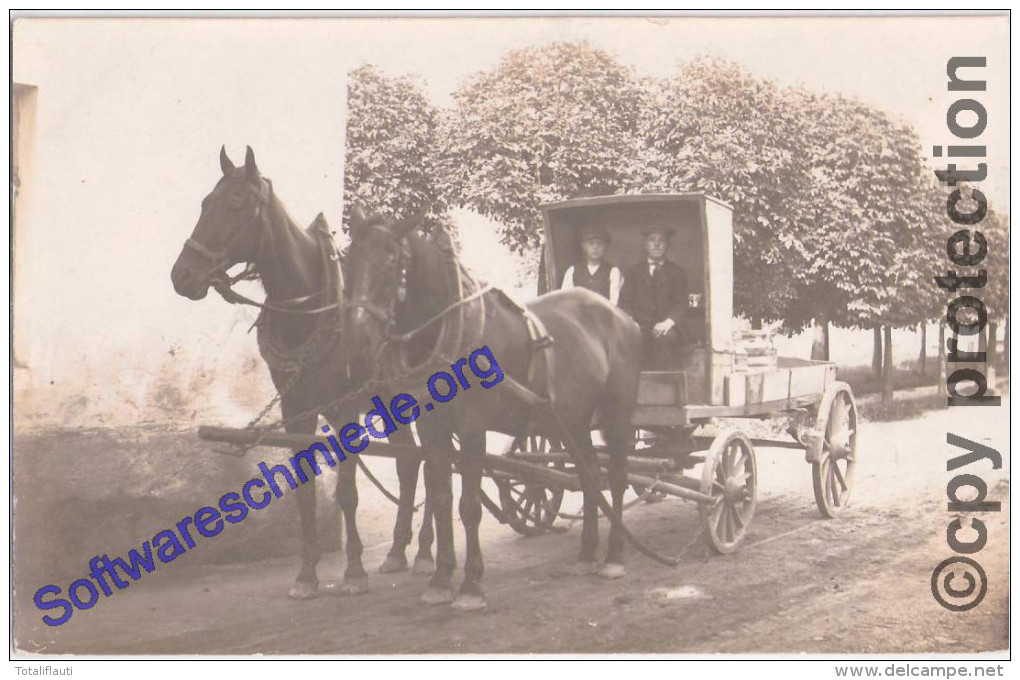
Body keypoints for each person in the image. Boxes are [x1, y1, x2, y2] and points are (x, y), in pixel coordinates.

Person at [619, 224, 688, 370]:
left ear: (668, 245)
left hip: (666, 328)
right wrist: (632, 322)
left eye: (661, 240)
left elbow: (681, 304)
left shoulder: (677, 273)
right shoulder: (633, 272)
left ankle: (663, 389)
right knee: (630, 341)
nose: (656, 244)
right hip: (639, 326)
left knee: (666, 340)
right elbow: (625, 302)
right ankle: (636, 390)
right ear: (645, 244)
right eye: (652, 240)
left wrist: (668, 323)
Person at [561, 224, 624, 305]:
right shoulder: (572, 271)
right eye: (591, 243)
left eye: (599, 243)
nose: (595, 247)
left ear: (605, 247)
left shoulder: (613, 271)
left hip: (604, 315)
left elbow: (614, 302)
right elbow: (566, 299)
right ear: (583, 247)